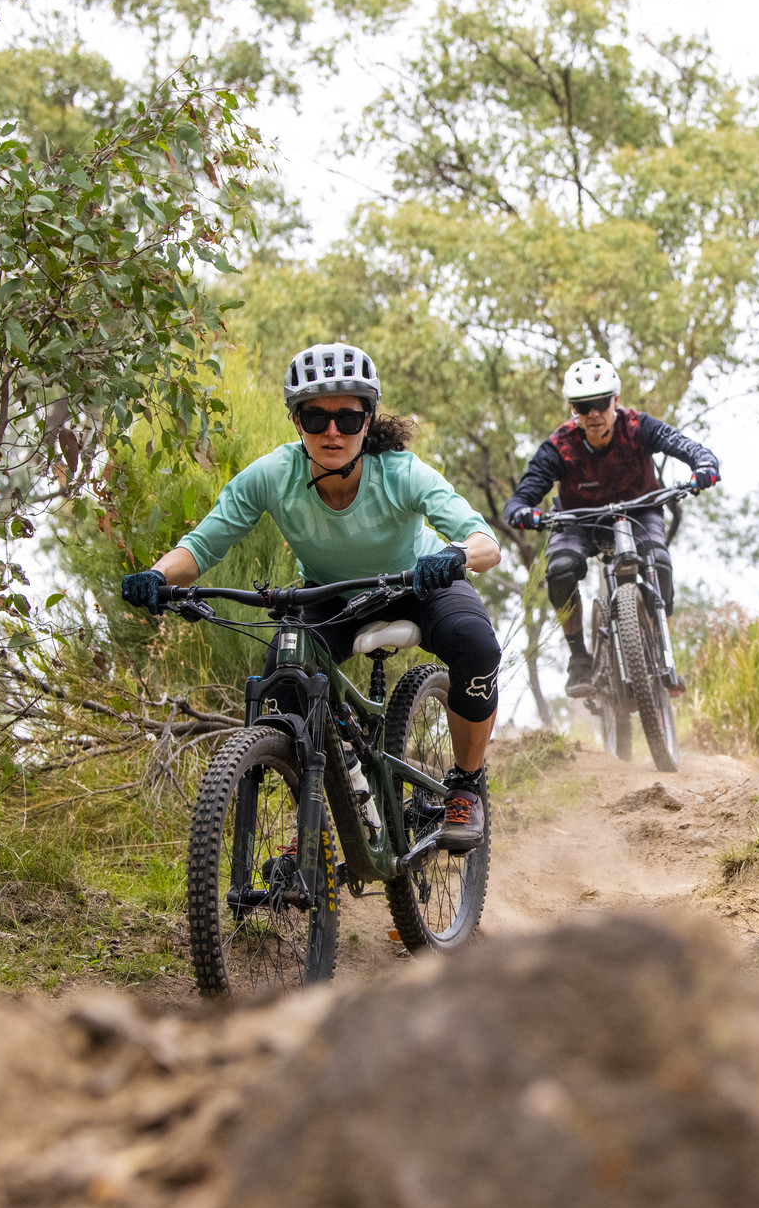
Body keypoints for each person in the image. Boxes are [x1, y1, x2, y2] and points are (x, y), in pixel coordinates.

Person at [119, 342, 503, 851]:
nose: (331, 432)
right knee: (282, 689)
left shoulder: (400, 472)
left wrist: (453, 556)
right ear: (296, 421)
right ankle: (325, 805)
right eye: (315, 417)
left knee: (474, 644)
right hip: (332, 595)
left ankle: (466, 785)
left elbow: (485, 544)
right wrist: (157, 576)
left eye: (347, 418)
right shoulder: (275, 475)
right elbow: (203, 543)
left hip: (420, 584)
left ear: (368, 421)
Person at [502, 356, 719, 697]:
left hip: (639, 510)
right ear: (574, 408)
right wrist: (522, 512)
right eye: (584, 405)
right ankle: (579, 658)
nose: (594, 413)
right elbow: (521, 497)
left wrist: (704, 465)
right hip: (579, 520)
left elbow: (686, 446)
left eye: (601, 402)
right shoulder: (559, 445)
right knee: (559, 569)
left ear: (615, 401)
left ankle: (663, 651)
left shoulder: (638, 427)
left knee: (659, 562)